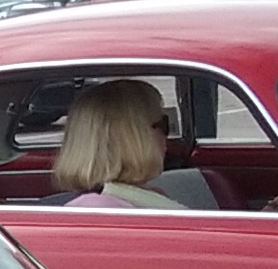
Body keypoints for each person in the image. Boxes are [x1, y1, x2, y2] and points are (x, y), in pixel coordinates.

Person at [48, 80, 184, 209]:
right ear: (134, 139)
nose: (167, 137)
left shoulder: (142, 197)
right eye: (164, 124)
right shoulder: (101, 209)